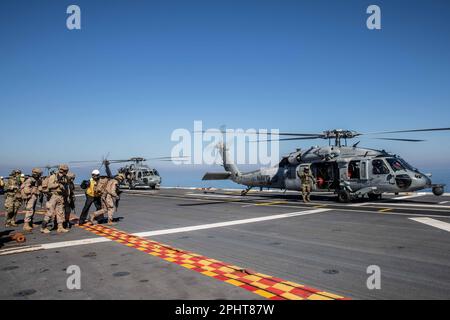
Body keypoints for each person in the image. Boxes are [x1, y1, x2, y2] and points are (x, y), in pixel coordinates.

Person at [40, 164, 70, 234]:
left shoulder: (65, 177)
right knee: (50, 212)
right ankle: (43, 227)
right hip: (54, 196)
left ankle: (60, 227)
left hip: (61, 196)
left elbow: (66, 187)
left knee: (60, 212)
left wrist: (67, 196)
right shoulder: (53, 176)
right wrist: (58, 185)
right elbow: (50, 186)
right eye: (65, 170)